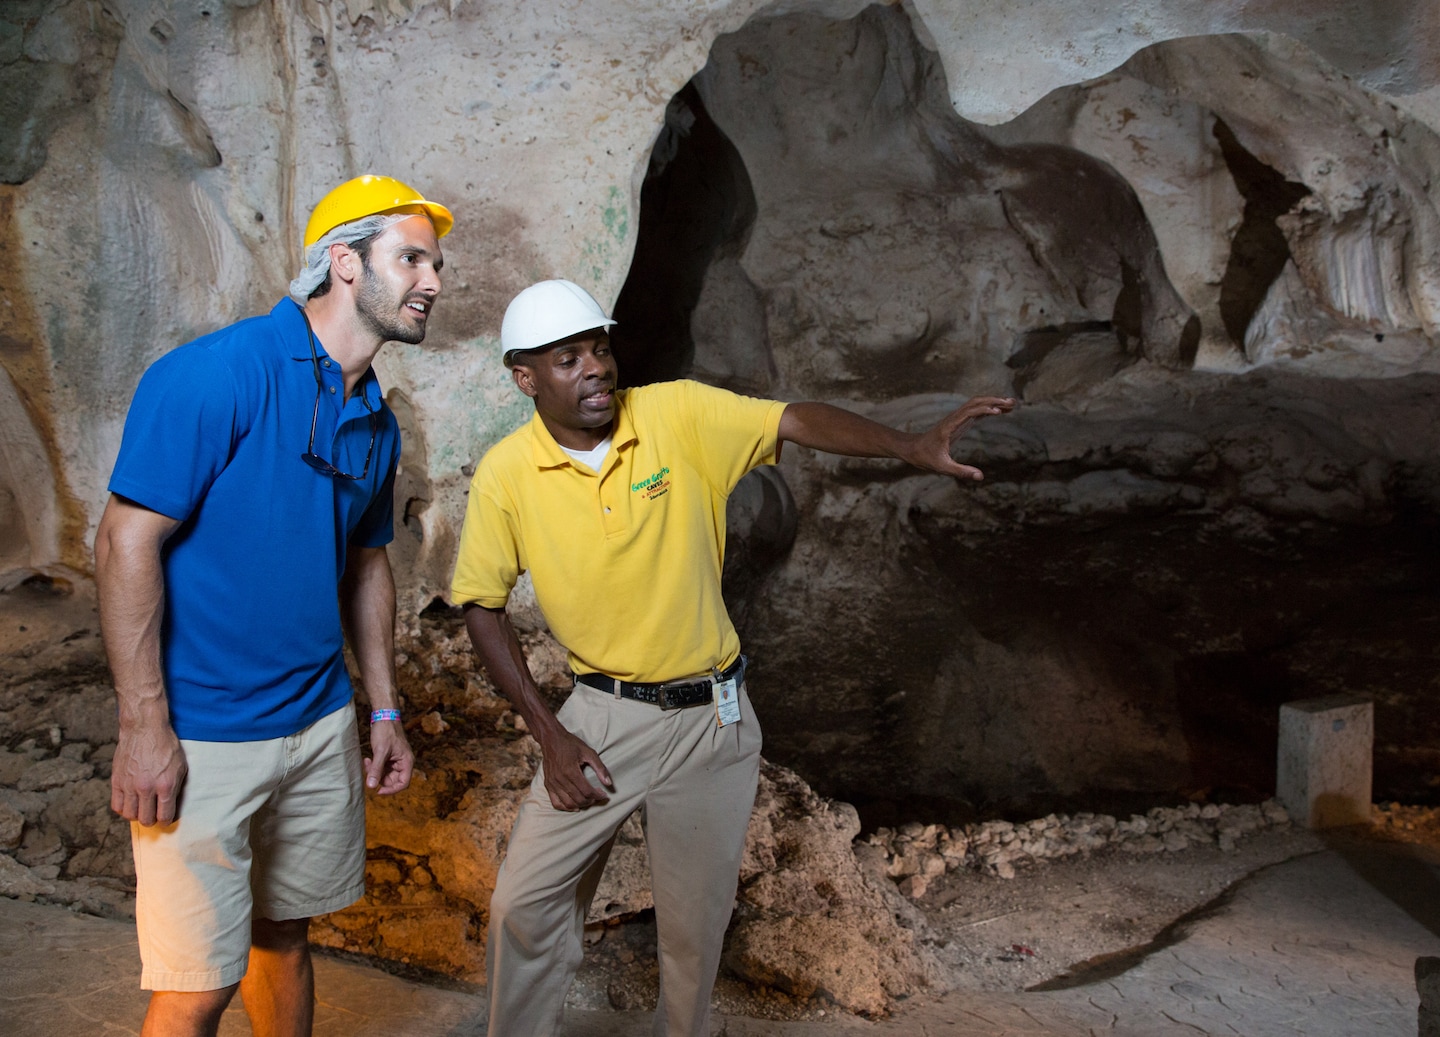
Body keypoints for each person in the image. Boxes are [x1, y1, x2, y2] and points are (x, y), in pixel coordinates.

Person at [450, 278, 1015, 1037]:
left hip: (712, 719)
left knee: (695, 923)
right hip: (601, 719)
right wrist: (550, 734)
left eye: (599, 348)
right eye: (566, 358)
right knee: (524, 900)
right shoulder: (506, 473)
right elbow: (480, 604)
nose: (594, 368)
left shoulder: (675, 413)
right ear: (526, 378)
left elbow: (796, 418)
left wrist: (906, 445)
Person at [94, 174, 452, 1037]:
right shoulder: (216, 374)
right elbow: (122, 542)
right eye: (411, 258)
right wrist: (144, 725)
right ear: (343, 263)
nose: (433, 280)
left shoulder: (376, 416)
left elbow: (368, 566)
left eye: (437, 263)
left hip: (317, 722)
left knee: (285, 934)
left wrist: (383, 705)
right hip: (205, 731)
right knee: (195, 986)